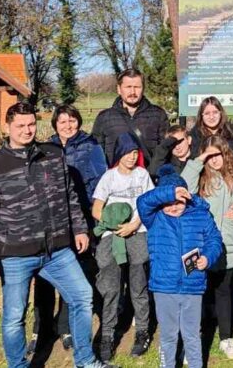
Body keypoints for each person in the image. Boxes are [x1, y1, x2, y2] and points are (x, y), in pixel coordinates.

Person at [0, 102, 110, 368]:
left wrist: (80, 228)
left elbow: (69, 196)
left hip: (57, 251)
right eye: (21, 126)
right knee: (14, 316)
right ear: (8, 127)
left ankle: (85, 359)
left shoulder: (52, 155)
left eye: (31, 124)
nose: (27, 130)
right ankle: (18, 365)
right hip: (15, 255)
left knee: (82, 296)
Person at [30, 104, 108, 355]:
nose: (68, 125)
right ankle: (40, 328)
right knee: (43, 276)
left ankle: (64, 326)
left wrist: (92, 218)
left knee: (72, 273)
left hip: (81, 218)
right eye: (62, 121)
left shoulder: (90, 145)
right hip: (50, 222)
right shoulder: (45, 149)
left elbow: (100, 182)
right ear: (55, 124)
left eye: (72, 120)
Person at [136, 165, 223, 368]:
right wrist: (170, 192)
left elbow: (215, 240)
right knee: (168, 336)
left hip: (193, 285)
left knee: (192, 335)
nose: (174, 207)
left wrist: (208, 258)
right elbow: (143, 202)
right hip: (164, 288)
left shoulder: (200, 215)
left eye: (178, 202)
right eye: (168, 203)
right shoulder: (155, 217)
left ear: (187, 197)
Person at [181, 136, 233, 360]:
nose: (215, 160)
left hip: (227, 243)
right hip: (202, 246)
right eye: (210, 156)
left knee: (224, 292)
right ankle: (196, 339)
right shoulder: (199, 180)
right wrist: (199, 160)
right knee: (199, 294)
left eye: (218, 154)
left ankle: (226, 337)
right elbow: (182, 185)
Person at [92, 133, 155, 360]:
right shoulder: (109, 178)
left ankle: (142, 331)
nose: (131, 157)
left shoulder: (142, 175)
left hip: (138, 232)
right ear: (119, 154)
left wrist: (134, 224)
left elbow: (148, 204)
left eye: (135, 152)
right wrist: (113, 224)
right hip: (113, 235)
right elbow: (97, 208)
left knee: (139, 286)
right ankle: (108, 334)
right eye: (127, 152)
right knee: (111, 287)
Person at [92, 68, 170, 167]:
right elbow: (97, 154)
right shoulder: (104, 117)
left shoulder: (158, 114)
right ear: (119, 89)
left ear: (143, 89)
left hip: (150, 177)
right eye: (128, 87)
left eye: (137, 87)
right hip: (116, 178)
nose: (132, 92)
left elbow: (166, 149)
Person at [189, 96, 233, 163]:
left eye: (215, 112)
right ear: (201, 116)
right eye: (207, 113)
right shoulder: (194, 137)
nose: (211, 117)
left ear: (221, 113)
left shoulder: (231, 134)